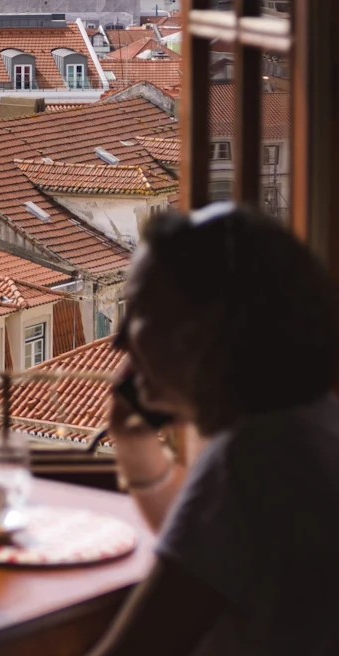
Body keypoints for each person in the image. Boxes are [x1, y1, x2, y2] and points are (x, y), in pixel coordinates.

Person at [89, 203, 339, 656]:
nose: (119, 338)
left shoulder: (249, 461)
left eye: (141, 310)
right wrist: (135, 443)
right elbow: (212, 552)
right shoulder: (313, 427)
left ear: (206, 330)